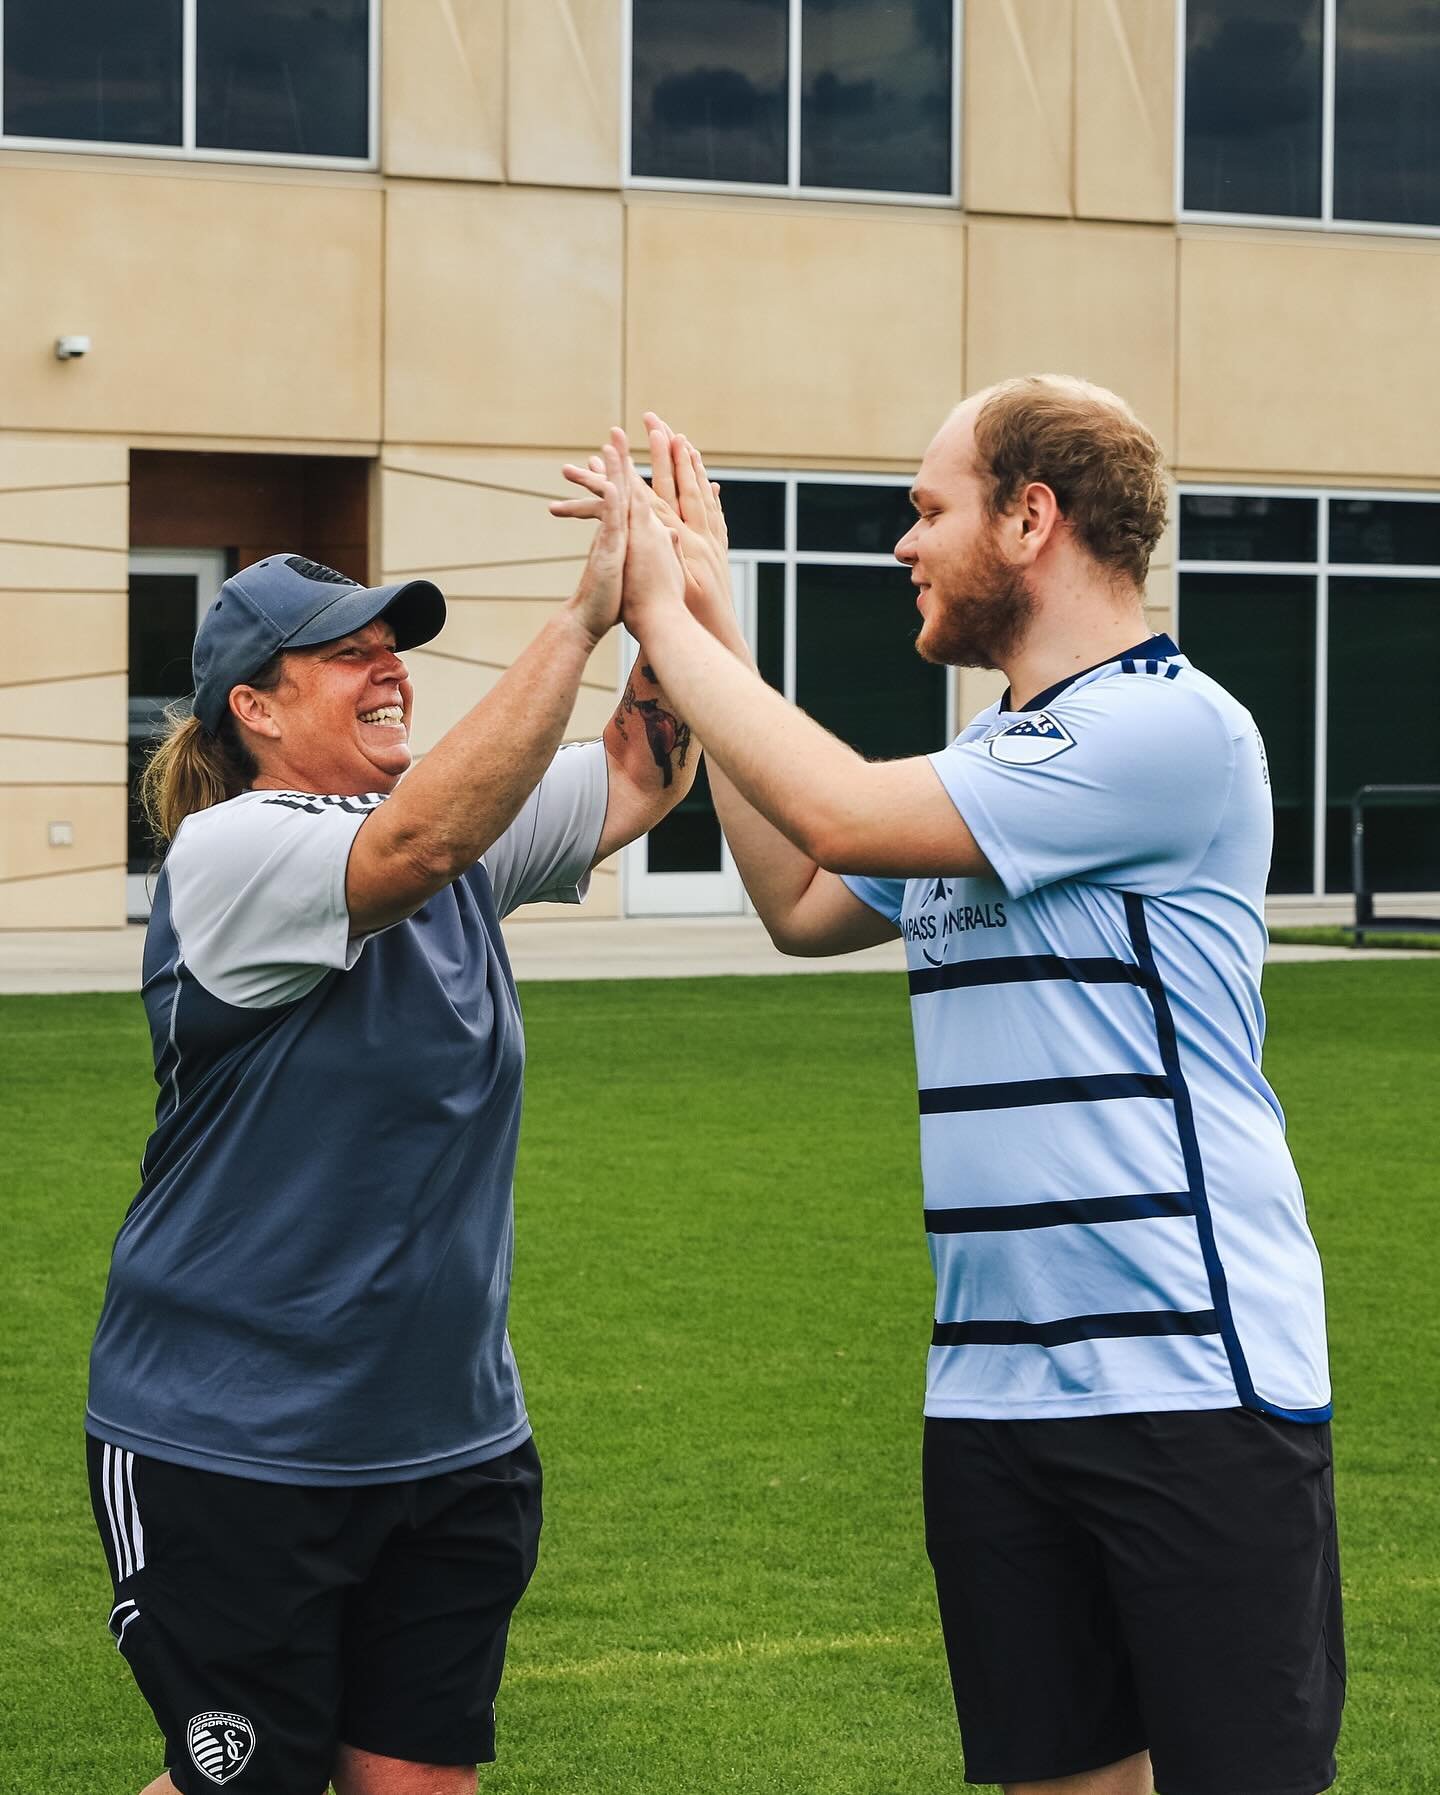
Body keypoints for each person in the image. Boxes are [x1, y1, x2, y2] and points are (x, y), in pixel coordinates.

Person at [563, 385, 1343, 1795]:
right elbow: (802, 898)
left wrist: (661, 615)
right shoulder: (991, 759)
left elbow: (847, 812)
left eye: (928, 512)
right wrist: (707, 621)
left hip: (1188, 1386)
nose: (903, 549)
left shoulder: (1169, 729)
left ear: (1030, 518)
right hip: (994, 1396)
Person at [86, 446, 695, 1795]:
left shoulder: (456, 834)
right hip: (231, 1444)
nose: (390, 668)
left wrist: (682, 600)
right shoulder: (235, 850)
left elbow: (641, 775)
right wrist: (584, 615)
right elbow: (413, 849)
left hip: (451, 1443)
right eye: (346, 657)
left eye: (392, 645)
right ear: (254, 706)